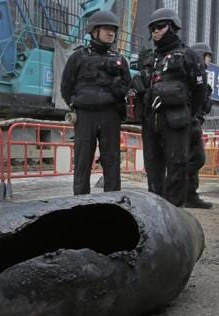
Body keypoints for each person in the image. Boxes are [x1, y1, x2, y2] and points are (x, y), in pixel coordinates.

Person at [130, 8, 207, 207]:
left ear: (172, 27)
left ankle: (174, 211)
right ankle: (156, 209)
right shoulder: (148, 58)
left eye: (160, 27)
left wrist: (190, 115)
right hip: (151, 122)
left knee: (177, 167)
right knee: (153, 167)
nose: (156, 32)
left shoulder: (188, 55)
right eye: (153, 28)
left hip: (176, 122)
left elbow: (200, 91)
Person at [61, 10, 131, 196]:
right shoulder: (77, 58)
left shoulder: (119, 60)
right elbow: (66, 87)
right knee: (83, 161)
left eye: (113, 30)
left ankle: (113, 202)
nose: (111, 33)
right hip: (85, 116)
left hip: (110, 116)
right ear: (93, 31)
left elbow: (127, 87)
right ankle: (80, 202)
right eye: (107, 29)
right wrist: (77, 104)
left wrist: (117, 94)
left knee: (112, 161)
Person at [185, 42, 214, 209]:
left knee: (193, 159)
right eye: (207, 56)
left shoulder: (202, 79)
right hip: (189, 122)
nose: (209, 60)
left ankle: (190, 195)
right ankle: (178, 189)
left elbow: (206, 106)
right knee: (197, 159)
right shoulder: (191, 77)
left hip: (196, 122)